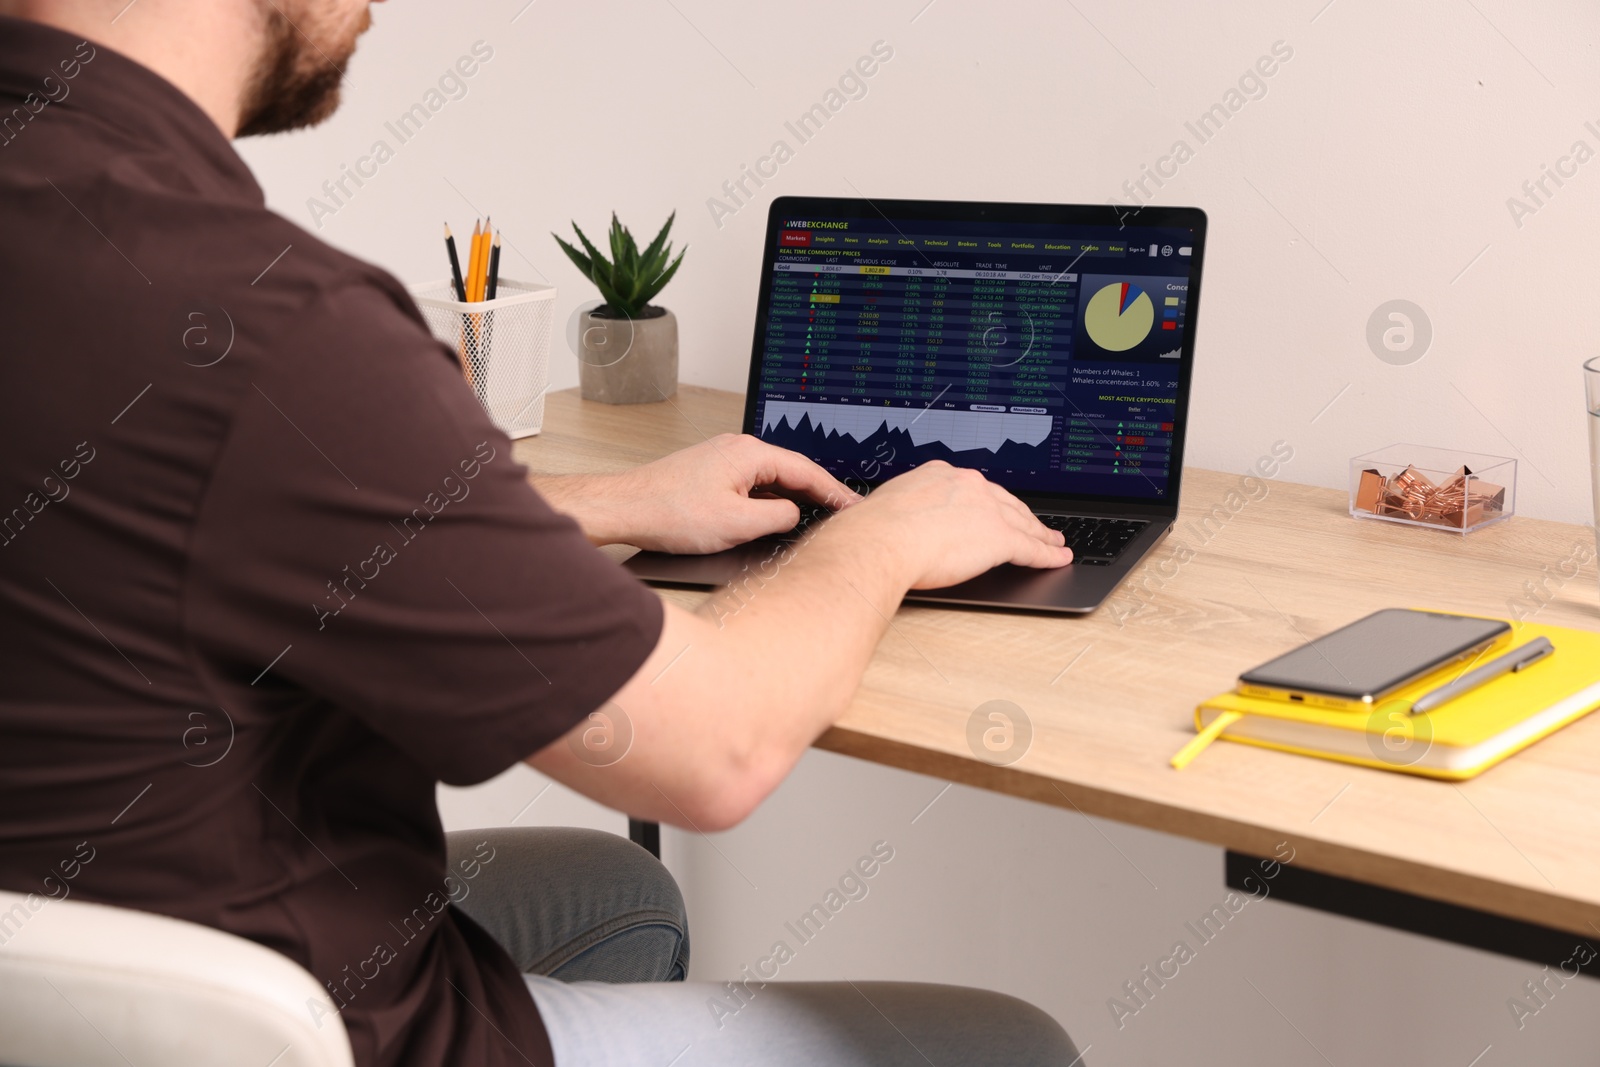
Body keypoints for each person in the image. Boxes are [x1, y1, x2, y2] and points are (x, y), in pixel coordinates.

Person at [0, 2, 1080, 1064]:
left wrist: (602, 503)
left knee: (619, 894)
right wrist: (886, 536)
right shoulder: (271, 321)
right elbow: (714, 751)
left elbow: (151, 506)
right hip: (316, 1022)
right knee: (1013, 1045)